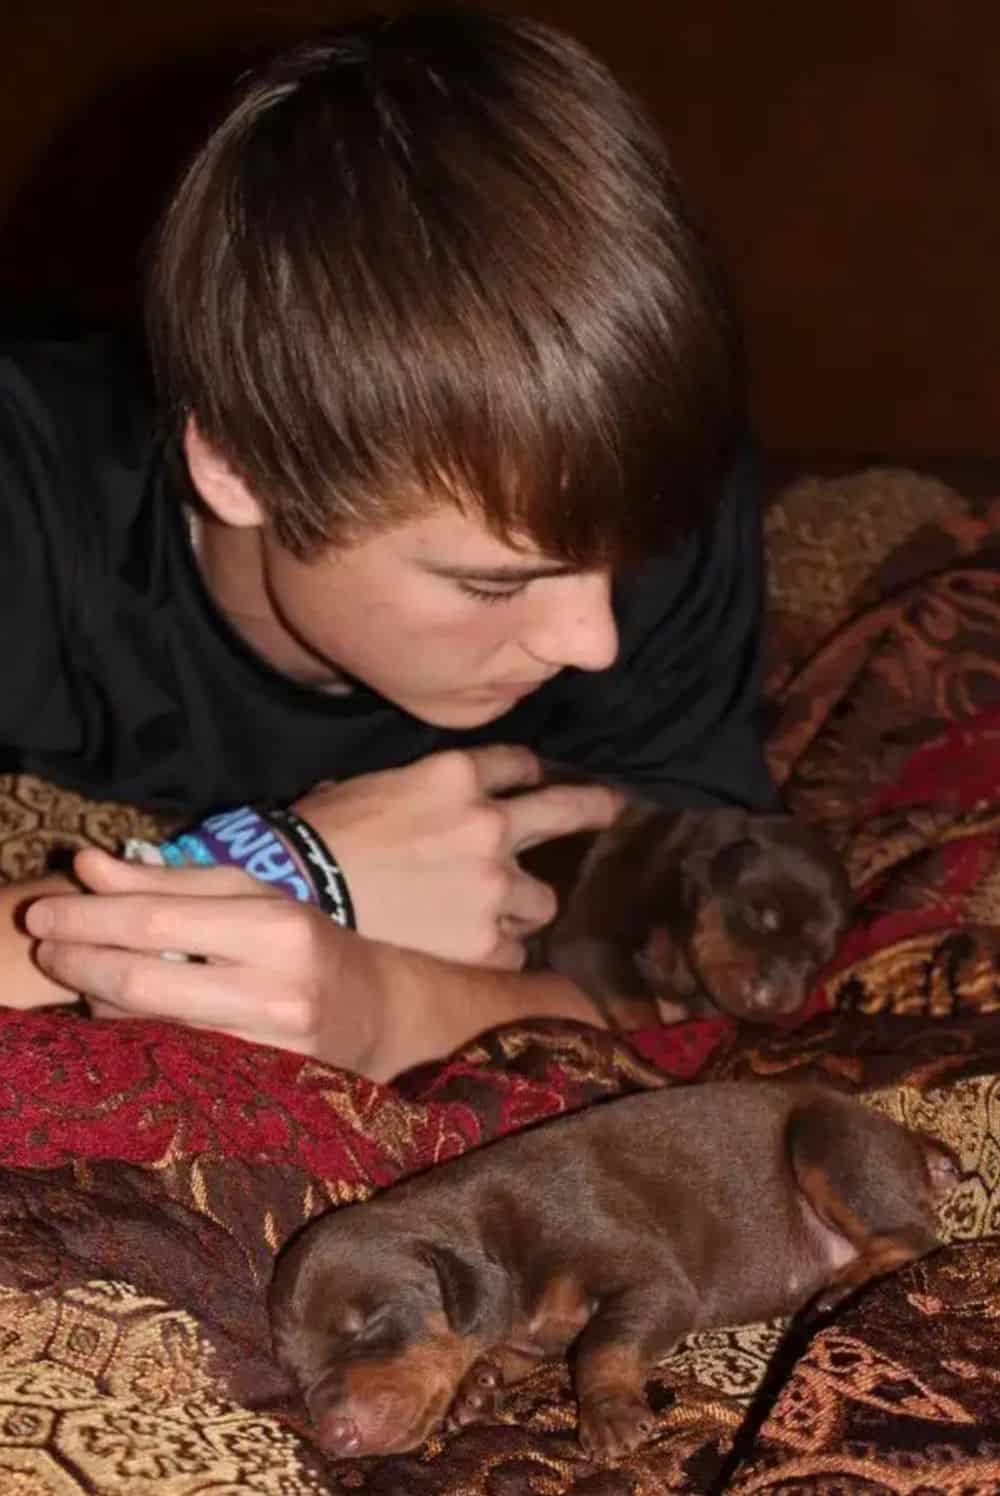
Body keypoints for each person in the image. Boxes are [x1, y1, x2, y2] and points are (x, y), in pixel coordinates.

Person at [1, 8, 775, 1081]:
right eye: (488, 580)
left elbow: (699, 994)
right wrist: (299, 869)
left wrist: (385, 1001)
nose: (592, 636)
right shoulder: (28, 500)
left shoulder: (654, 499)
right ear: (238, 466)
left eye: (619, 560)